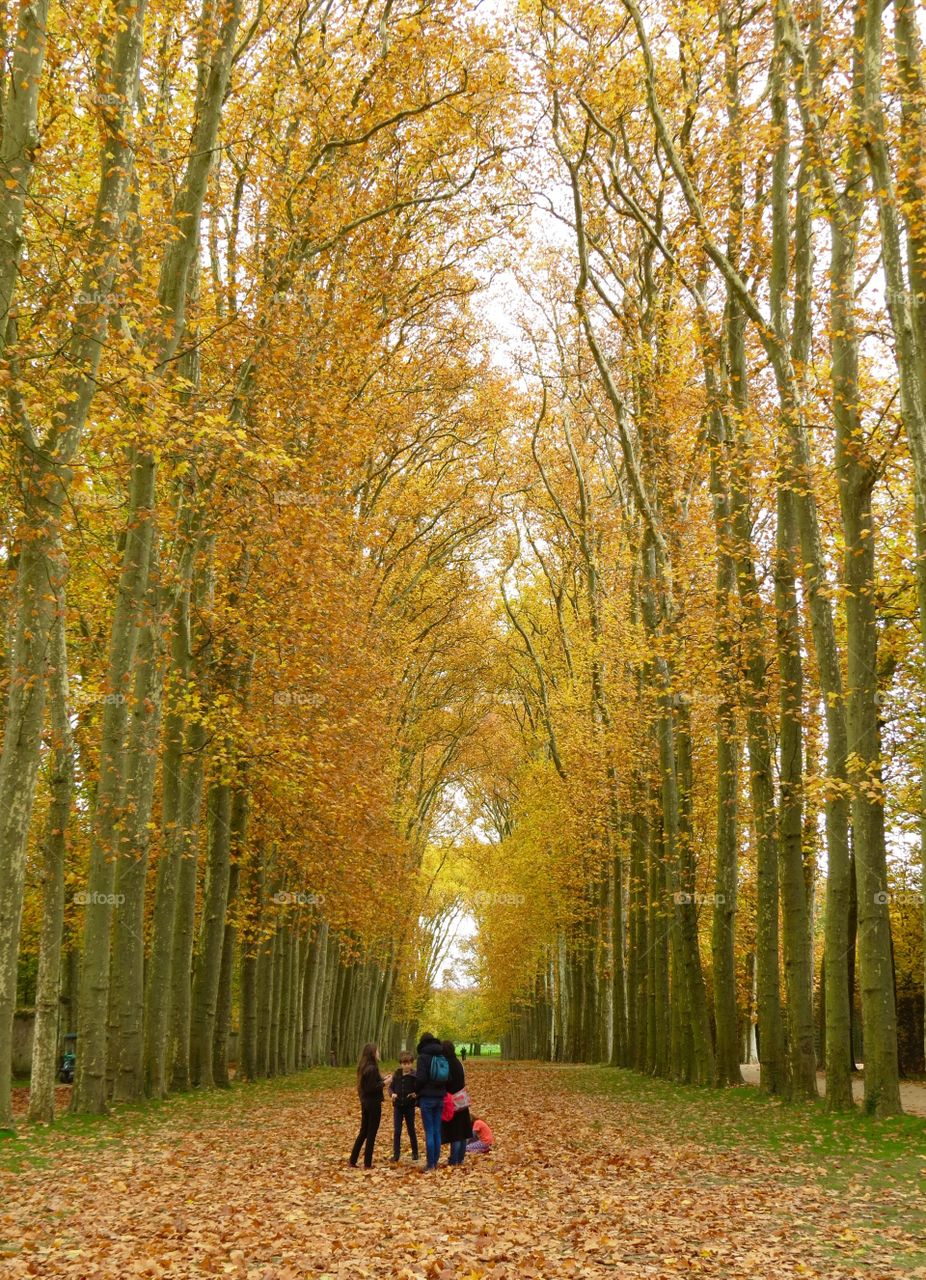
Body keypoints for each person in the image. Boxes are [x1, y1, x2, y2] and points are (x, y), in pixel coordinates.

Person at [349, 1042, 392, 1169]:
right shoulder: (372, 1068)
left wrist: (383, 1079)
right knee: (371, 1132)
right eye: (377, 1051)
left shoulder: (365, 1067)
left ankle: (353, 1160)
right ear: (373, 1053)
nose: (379, 1053)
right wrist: (386, 1083)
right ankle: (367, 1163)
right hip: (373, 1103)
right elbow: (371, 1087)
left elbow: (371, 1083)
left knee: (364, 1131)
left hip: (366, 1102)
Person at [413, 1031, 448, 1171]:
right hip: (440, 1097)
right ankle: (436, 1161)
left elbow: (421, 1078)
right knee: (437, 1130)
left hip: (427, 1098)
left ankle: (430, 1164)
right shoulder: (441, 1054)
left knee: (429, 1131)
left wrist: (416, 1090)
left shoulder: (423, 1057)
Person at [439, 1039, 472, 1166]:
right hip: (462, 1099)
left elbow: (446, 1083)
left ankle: (454, 1159)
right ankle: (461, 1158)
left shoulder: (446, 1064)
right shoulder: (458, 1063)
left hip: (451, 1101)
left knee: (455, 1133)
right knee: (463, 1132)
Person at [389, 1050, 419, 1162]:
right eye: (404, 1063)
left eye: (408, 1063)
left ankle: (415, 1152)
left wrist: (416, 1094)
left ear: (411, 1063)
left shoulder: (414, 1076)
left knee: (411, 1129)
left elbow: (419, 1089)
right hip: (398, 1106)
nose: (406, 1066)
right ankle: (396, 1154)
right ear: (400, 1064)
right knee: (397, 1131)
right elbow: (390, 1087)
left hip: (409, 1106)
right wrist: (392, 1094)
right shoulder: (396, 1074)